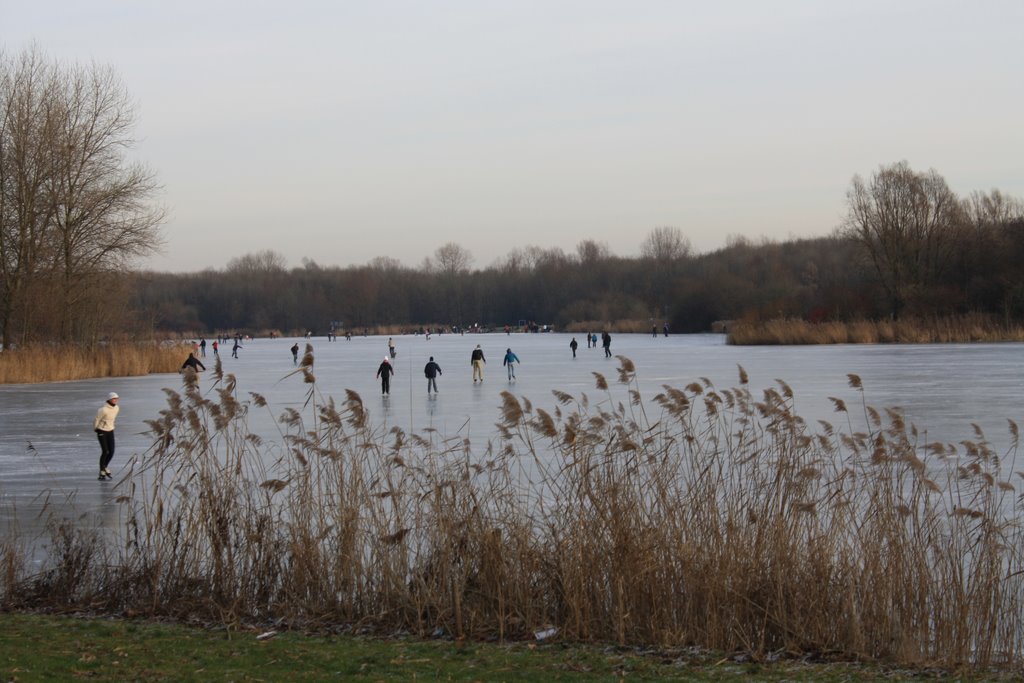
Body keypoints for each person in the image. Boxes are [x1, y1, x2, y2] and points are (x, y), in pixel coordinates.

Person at [94, 392, 119, 481]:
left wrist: (111, 426)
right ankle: (102, 472)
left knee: (111, 451)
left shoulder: (116, 408)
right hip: (102, 431)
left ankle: (104, 466)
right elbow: (97, 419)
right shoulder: (103, 410)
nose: (115, 400)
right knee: (105, 451)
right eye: (113, 399)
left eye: (116, 399)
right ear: (109, 399)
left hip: (110, 430)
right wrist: (96, 428)